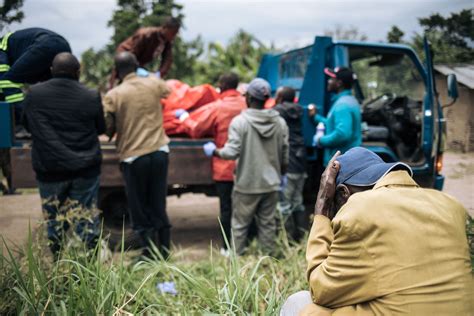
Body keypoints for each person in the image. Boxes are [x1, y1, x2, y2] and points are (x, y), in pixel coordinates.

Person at [281, 147, 472, 316]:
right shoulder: (450, 205)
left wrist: (322, 209)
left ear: (342, 193)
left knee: (298, 302)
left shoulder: (360, 208)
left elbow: (321, 290)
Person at [22, 53, 104, 258]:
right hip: (85, 169)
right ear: (78, 72)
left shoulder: (34, 94)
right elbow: (100, 128)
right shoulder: (91, 94)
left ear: (51, 71)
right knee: (86, 222)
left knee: (54, 222)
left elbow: (26, 125)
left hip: (50, 170)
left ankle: (59, 264)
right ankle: (88, 271)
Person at [204, 78, 289, 255]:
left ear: (248, 98)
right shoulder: (279, 122)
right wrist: (281, 175)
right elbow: (284, 153)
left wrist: (215, 152)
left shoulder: (240, 122)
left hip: (247, 184)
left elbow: (231, 152)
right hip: (271, 183)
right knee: (267, 224)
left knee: (240, 224)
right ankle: (267, 261)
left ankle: (237, 262)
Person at [103, 52, 172, 259]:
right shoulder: (153, 84)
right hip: (159, 151)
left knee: (139, 207)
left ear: (116, 71)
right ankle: (165, 251)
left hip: (134, 157)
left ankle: (149, 253)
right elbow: (167, 90)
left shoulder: (114, 95)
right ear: (136, 66)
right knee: (158, 203)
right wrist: (149, 76)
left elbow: (108, 129)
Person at [175, 72, 246, 254]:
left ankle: (227, 247)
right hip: (247, 167)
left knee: (226, 208)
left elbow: (196, 128)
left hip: (224, 167)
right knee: (246, 208)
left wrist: (183, 118)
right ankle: (246, 245)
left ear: (221, 85)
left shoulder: (217, 107)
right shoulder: (248, 104)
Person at [0, 28, 71, 125]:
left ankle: (24, 124)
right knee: (58, 88)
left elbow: (5, 82)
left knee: (8, 81)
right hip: (63, 45)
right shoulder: (16, 45)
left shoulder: (1, 48)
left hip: (44, 44)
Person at [309, 67, 361, 166]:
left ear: (339, 83)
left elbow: (342, 134)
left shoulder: (342, 105)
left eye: (331, 79)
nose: (329, 81)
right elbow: (331, 124)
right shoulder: (349, 100)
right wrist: (315, 117)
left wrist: (320, 140)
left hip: (340, 164)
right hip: (347, 161)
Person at [274, 86, 307, 241]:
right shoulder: (299, 110)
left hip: (289, 164)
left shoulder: (278, 111)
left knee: (284, 205)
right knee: (298, 202)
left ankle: (287, 240)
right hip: (301, 163)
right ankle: (301, 237)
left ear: (280, 97)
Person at [109, 17, 180, 88]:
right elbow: (133, 54)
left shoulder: (167, 41)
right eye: (173, 33)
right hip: (126, 56)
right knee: (124, 78)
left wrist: (159, 74)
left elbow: (167, 59)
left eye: (176, 33)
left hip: (139, 62)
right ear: (164, 28)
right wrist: (136, 69)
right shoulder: (145, 35)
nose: (174, 36)